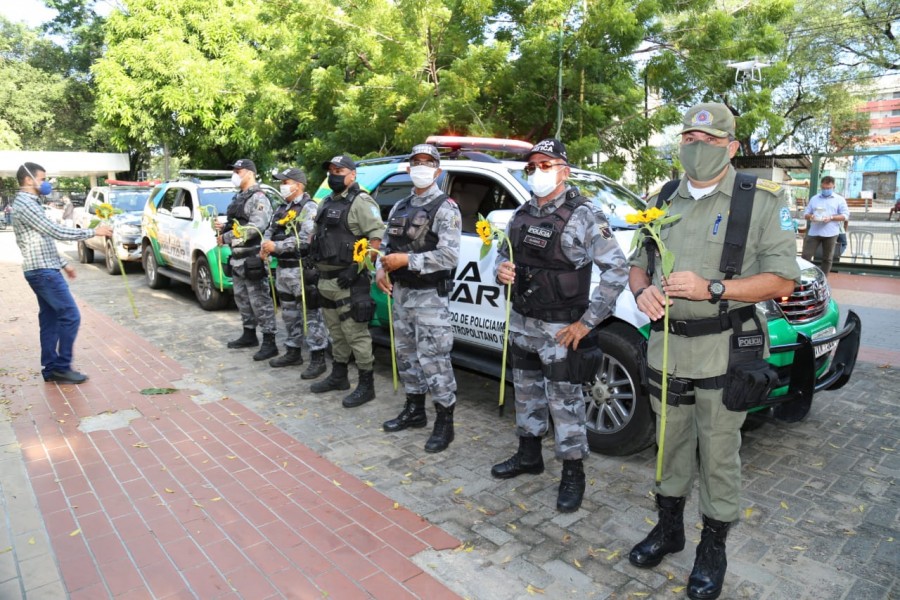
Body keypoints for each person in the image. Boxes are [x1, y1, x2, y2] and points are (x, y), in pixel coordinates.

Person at [627, 103, 800, 600]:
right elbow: (637, 264)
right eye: (688, 138)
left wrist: (714, 290)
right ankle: (669, 528)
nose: (696, 147)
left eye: (707, 139)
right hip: (668, 348)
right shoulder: (661, 198)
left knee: (719, 454)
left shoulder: (763, 200)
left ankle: (713, 546)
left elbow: (783, 279)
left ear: (731, 146)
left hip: (725, 351)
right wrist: (642, 292)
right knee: (669, 447)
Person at [491, 138, 628, 513]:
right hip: (523, 321)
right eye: (532, 165)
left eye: (546, 164)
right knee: (526, 392)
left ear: (564, 171)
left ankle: (572, 473)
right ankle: (528, 455)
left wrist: (587, 324)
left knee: (565, 402)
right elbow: (504, 257)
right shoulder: (521, 213)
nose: (538, 171)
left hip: (561, 328)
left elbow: (617, 270)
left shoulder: (585, 214)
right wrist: (501, 270)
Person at [376, 144, 461, 453]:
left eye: (428, 162)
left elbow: (450, 256)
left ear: (437, 171)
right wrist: (380, 269)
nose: (422, 166)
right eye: (416, 162)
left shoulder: (445, 207)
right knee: (407, 356)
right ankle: (415, 410)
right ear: (409, 168)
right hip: (402, 294)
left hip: (429, 298)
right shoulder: (400, 206)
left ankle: (444, 422)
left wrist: (407, 262)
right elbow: (386, 245)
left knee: (435, 359)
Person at [12, 162, 113, 384]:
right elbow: (55, 231)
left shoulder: (30, 203)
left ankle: (51, 368)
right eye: (43, 178)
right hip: (43, 272)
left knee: (50, 319)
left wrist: (62, 263)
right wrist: (93, 231)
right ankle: (62, 366)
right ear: (29, 180)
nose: (46, 183)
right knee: (70, 315)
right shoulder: (26, 204)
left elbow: (40, 240)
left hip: (42, 269)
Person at [309, 155, 385, 407]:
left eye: (339, 170)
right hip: (326, 280)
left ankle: (366, 384)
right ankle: (339, 375)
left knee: (356, 334)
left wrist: (358, 268)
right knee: (336, 333)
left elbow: (376, 239)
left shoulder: (361, 201)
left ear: (352, 174)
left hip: (350, 281)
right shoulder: (326, 201)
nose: (334, 174)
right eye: (330, 170)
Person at [260, 167, 330, 379]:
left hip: (301, 268)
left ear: (298, 185)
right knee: (289, 313)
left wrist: (276, 247)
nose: (282, 185)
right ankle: (293, 350)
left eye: (286, 181)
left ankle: (318, 357)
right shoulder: (282, 207)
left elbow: (306, 237)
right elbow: (270, 230)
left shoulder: (309, 208)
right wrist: (265, 245)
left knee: (311, 314)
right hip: (282, 268)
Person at [216, 159, 278, 361]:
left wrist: (225, 237)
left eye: (238, 170)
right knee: (242, 299)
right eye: (233, 170)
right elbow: (235, 223)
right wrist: (222, 227)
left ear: (250, 173)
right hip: (237, 258)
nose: (234, 174)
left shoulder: (259, 197)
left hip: (252, 257)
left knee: (260, 301)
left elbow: (255, 228)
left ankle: (270, 341)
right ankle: (249, 333)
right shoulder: (239, 197)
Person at [801, 176, 849, 275]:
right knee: (806, 256)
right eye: (824, 188)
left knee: (827, 258)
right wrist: (812, 217)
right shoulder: (814, 198)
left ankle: (823, 278)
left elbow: (845, 216)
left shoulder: (839, 199)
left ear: (833, 186)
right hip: (814, 232)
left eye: (828, 188)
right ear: (820, 186)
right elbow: (805, 214)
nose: (826, 190)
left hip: (831, 233)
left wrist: (831, 218)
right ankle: (803, 277)